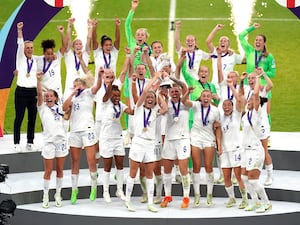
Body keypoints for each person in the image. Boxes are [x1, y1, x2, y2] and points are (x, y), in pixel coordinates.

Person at [62, 54, 103, 204]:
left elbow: (97, 87)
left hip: (88, 130)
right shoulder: (71, 97)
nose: (77, 86)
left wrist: (99, 76)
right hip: (74, 132)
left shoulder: (88, 93)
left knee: (91, 160)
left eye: (79, 84)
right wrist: (72, 93)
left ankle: (94, 186)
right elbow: (64, 108)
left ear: (84, 85)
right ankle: (74, 189)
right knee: (75, 161)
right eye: (75, 84)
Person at [124, 73, 168, 213]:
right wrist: (155, 78)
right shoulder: (138, 108)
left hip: (150, 144)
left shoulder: (155, 111)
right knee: (133, 172)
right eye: (148, 98)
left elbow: (165, 108)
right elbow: (144, 92)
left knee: (150, 173)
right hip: (138, 142)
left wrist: (159, 95)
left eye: (152, 98)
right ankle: (128, 200)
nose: (149, 99)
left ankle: (150, 202)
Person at [182, 88, 222, 207]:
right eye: (203, 96)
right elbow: (184, 102)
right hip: (195, 139)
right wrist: (187, 93)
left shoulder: (215, 110)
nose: (205, 98)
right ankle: (197, 194)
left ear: (211, 98)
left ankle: (209, 194)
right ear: (201, 97)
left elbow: (218, 127)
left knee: (209, 166)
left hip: (209, 139)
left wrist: (219, 145)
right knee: (196, 167)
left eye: (208, 96)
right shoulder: (196, 106)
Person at [238, 22, 276, 148]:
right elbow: (240, 36)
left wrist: (263, 74)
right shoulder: (249, 51)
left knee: (266, 112)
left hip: (263, 87)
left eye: (260, 40)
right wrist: (251, 28)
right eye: (256, 40)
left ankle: (267, 137)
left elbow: (273, 72)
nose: (257, 42)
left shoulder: (269, 57)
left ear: (264, 43)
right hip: (250, 86)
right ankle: (250, 132)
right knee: (249, 109)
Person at [240, 71, 272, 213]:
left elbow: (256, 95)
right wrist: (240, 83)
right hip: (245, 150)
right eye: (249, 101)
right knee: (244, 178)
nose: (249, 101)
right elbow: (241, 97)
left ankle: (266, 203)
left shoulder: (257, 114)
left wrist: (258, 79)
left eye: (252, 100)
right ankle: (255, 202)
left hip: (255, 150)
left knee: (253, 180)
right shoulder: (245, 115)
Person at [36, 72, 69, 208]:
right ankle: (45, 194)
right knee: (48, 170)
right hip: (49, 143)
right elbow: (39, 93)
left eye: (51, 96)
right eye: (46, 96)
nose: (48, 98)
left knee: (60, 169)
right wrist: (38, 80)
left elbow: (67, 117)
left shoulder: (60, 109)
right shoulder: (42, 108)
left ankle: (58, 194)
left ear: (56, 98)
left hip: (61, 142)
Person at [160, 76, 191, 209]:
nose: (174, 93)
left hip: (183, 139)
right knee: (166, 170)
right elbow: (159, 99)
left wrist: (172, 78)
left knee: (183, 169)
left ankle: (186, 197)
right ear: (168, 93)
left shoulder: (185, 103)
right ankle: (167, 196)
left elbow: (184, 86)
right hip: (169, 139)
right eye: (172, 91)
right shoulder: (166, 104)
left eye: (176, 91)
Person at [100, 82, 133, 203]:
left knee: (120, 165)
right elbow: (105, 95)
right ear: (110, 96)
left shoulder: (121, 105)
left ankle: (119, 190)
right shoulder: (105, 103)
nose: (116, 98)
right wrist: (110, 84)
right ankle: (106, 192)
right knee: (107, 166)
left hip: (118, 138)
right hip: (106, 138)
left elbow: (131, 111)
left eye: (118, 96)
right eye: (114, 96)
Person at [218, 76, 247, 209]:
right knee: (226, 176)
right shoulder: (220, 118)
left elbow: (240, 100)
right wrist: (219, 147)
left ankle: (245, 198)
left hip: (236, 149)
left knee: (238, 175)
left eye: (229, 105)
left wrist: (231, 86)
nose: (227, 107)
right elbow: (218, 133)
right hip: (225, 150)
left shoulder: (237, 114)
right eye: (224, 105)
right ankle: (231, 198)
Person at [13, 22, 38, 152]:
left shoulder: (36, 60)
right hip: (21, 92)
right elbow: (20, 43)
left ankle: (30, 141)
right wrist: (19, 30)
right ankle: (16, 142)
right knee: (19, 117)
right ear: (24, 49)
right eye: (27, 48)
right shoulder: (20, 58)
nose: (29, 49)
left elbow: (48, 59)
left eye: (31, 48)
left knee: (32, 118)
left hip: (33, 93)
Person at [206, 24, 243, 91]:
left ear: (228, 44)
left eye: (225, 41)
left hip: (227, 87)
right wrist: (216, 29)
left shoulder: (233, 56)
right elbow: (208, 42)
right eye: (221, 41)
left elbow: (246, 60)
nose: (222, 42)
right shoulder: (215, 52)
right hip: (215, 86)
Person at [36, 25, 67, 103]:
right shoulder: (38, 60)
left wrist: (62, 33)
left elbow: (65, 46)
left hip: (57, 93)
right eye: (48, 54)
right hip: (45, 94)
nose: (50, 56)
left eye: (51, 53)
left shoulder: (57, 57)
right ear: (44, 53)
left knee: (60, 114)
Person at [63, 18, 92, 100]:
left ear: (82, 46)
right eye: (76, 44)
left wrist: (90, 27)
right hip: (70, 87)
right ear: (73, 46)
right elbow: (68, 40)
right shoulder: (69, 55)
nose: (78, 45)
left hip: (83, 85)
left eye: (80, 44)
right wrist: (69, 25)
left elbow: (89, 39)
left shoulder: (85, 55)